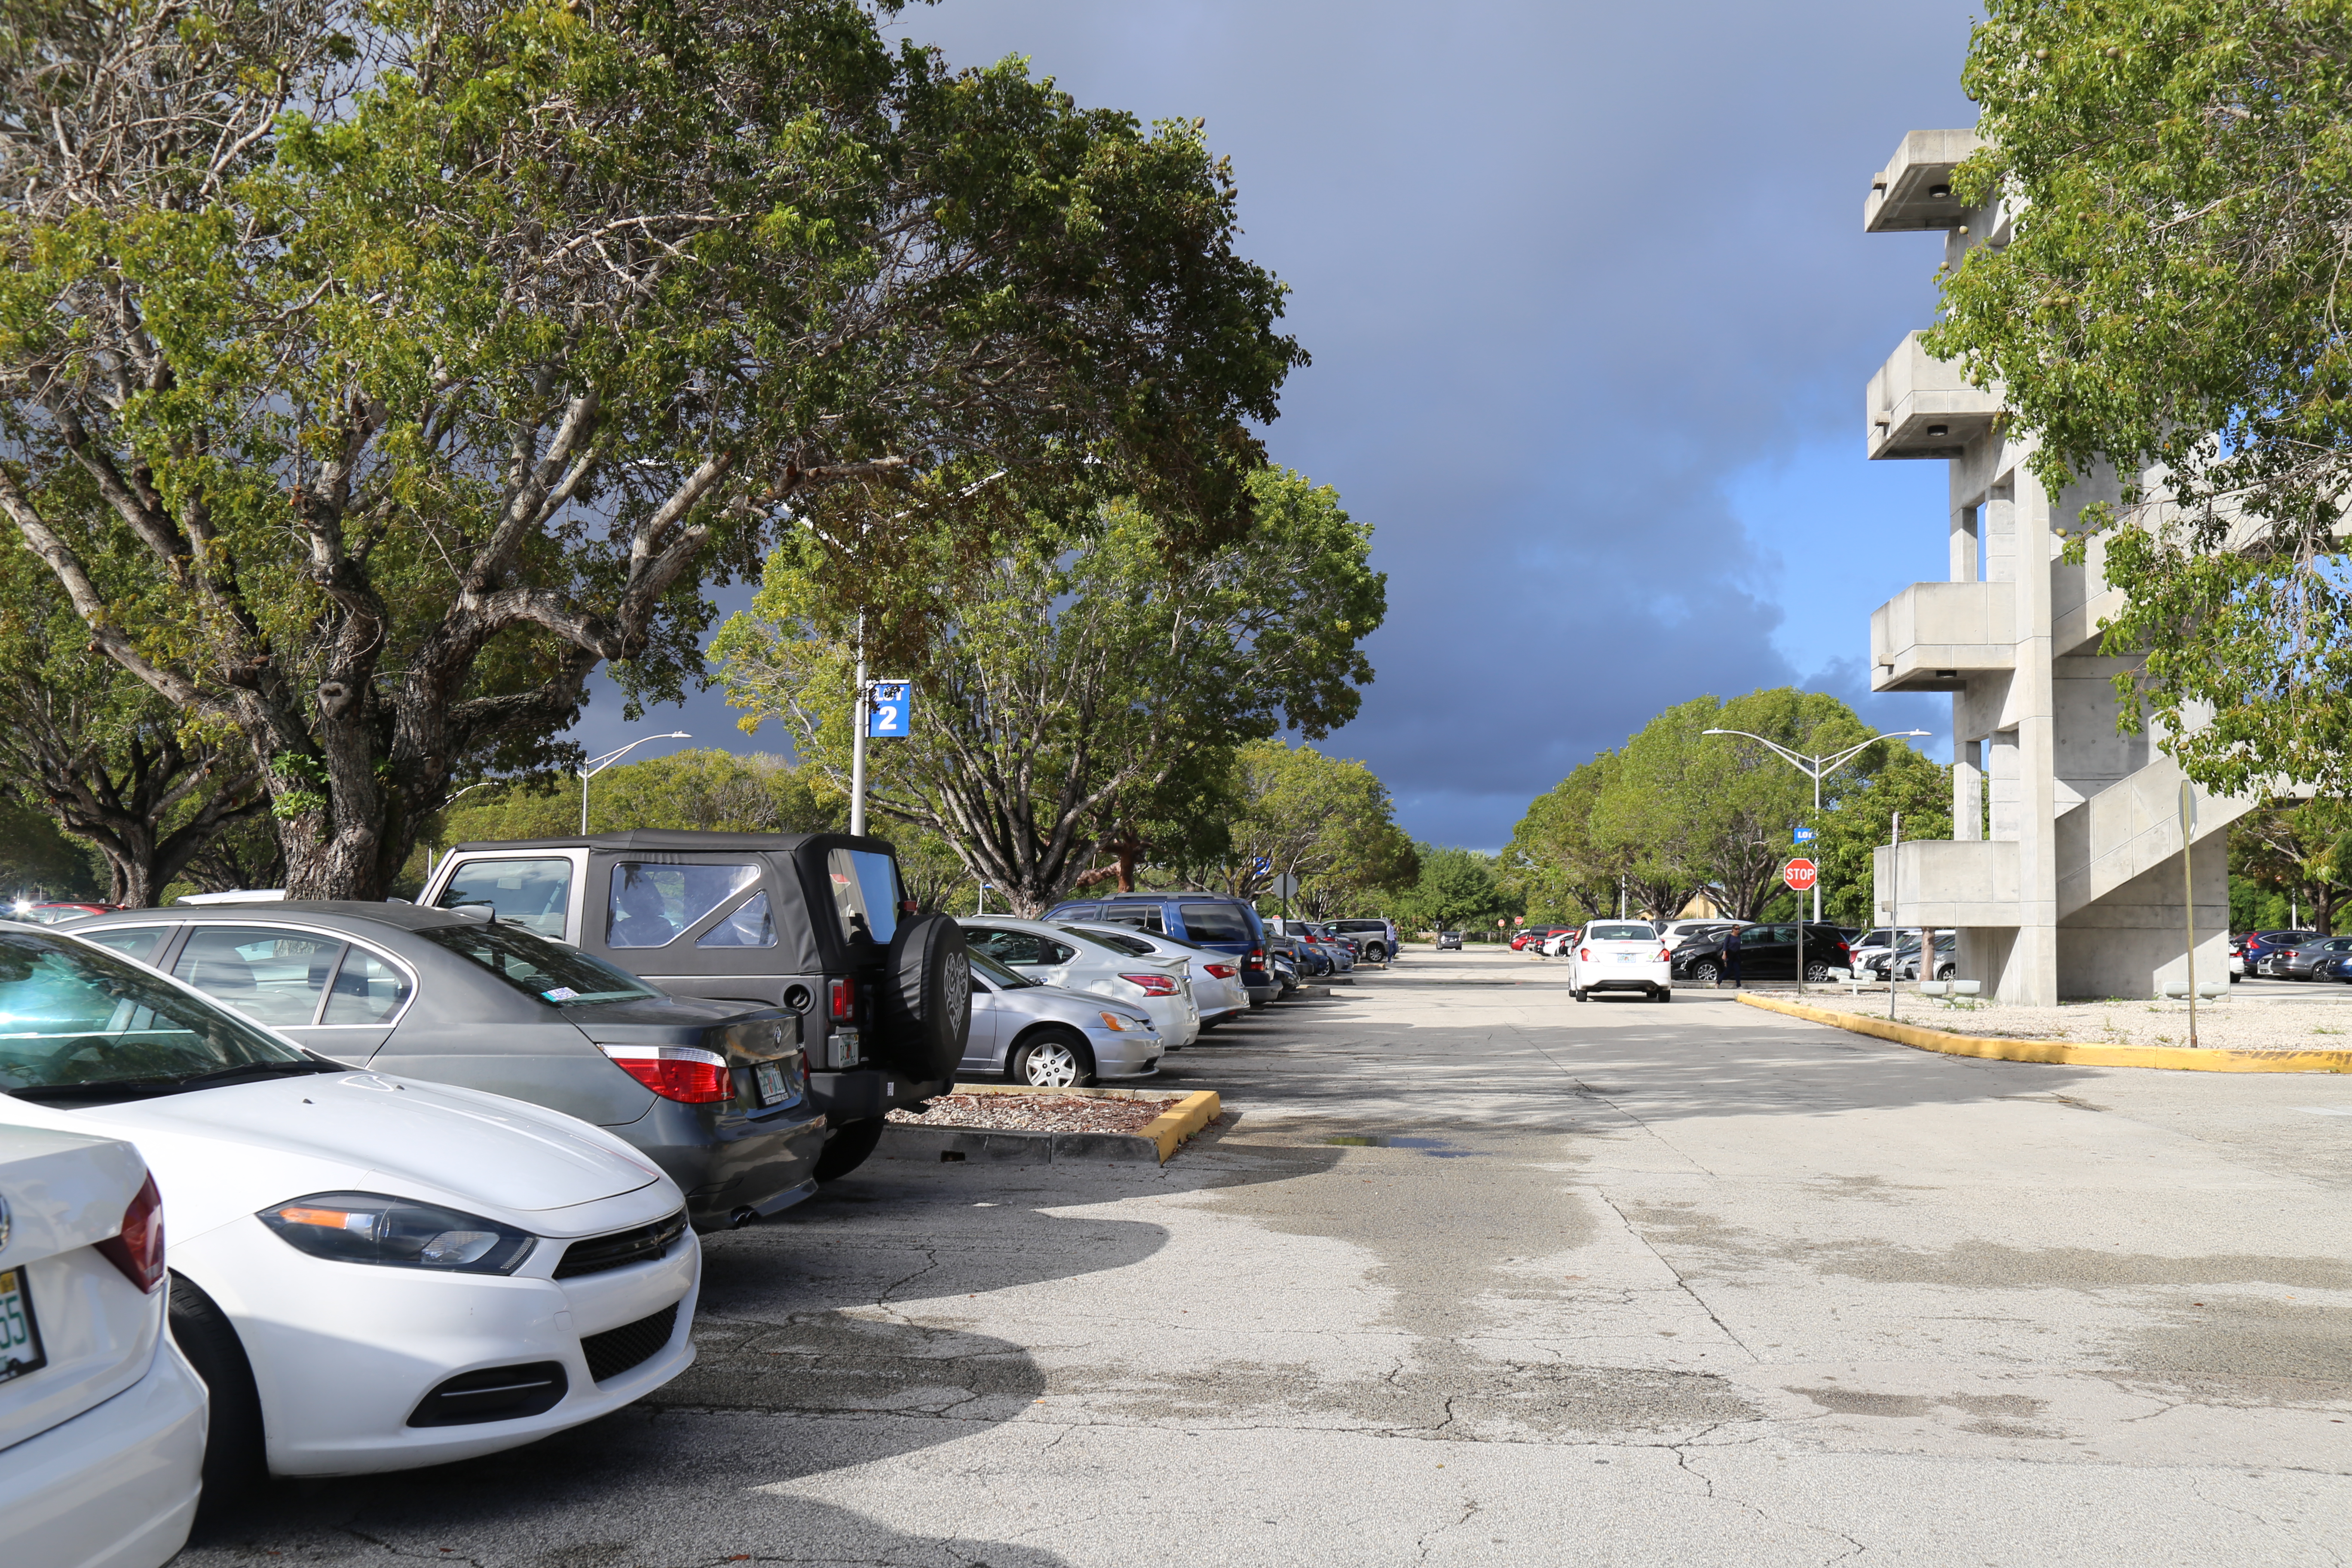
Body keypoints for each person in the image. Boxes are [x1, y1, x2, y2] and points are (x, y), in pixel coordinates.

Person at [1723, 925, 1742, 989]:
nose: (1738, 930)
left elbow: (1739, 947)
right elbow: (1725, 945)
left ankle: (1739, 985)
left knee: (1737, 970)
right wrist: (1724, 954)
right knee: (1728, 971)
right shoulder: (1729, 936)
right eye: (1736, 929)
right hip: (1730, 955)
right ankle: (1718, 983)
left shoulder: (1739, 937)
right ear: (1733, 929)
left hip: (1736, 955)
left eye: (1739, 929)